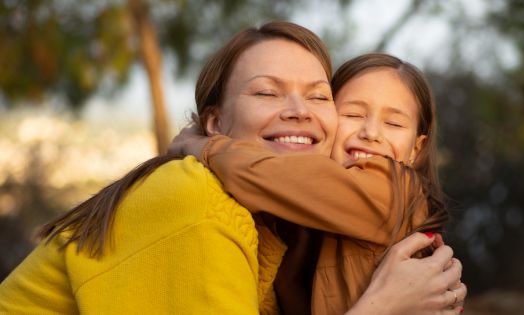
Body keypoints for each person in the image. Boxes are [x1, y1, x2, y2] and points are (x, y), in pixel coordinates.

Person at [0, 21, 463, 314]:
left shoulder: (280, 230)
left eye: (319, 96)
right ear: (216, 121)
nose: (300, 110)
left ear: (418, 147)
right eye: (266, 92)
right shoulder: (195, 205)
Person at [170, 53, 467, 314]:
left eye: (394, 123)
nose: (371, 132)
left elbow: (264, 174)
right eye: (353, 114)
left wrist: (199, 144)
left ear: (417, 148)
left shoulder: (394, 189)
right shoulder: (304, 217)